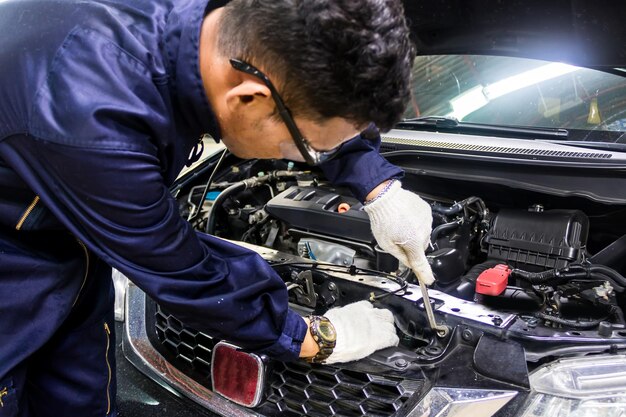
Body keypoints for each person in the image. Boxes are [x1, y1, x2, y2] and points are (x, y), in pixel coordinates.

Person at [0, 0, 434, 415]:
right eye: (311, 150)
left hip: (72, 247)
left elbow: (308, 97)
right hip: (12, 271)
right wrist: (317, 337)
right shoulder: (92, 117)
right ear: (245, 98)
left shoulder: (232, 28)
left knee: (79, 400)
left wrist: (378, 187)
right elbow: (187, 272)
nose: (310, 160)